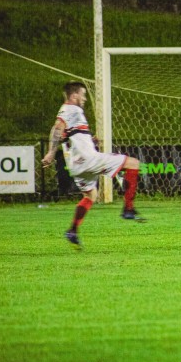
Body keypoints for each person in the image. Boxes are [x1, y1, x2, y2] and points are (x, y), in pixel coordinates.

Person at [41, 81, 145, 248]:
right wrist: (51, 152)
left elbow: (70, 135)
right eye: (82, 95)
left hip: (76, 165)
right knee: (134, 164)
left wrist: (91, 140)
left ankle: (72, 231)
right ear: (74, 95)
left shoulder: (72, 113)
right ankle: (128, 209)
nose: (84, 98)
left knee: (90, 196)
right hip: (88, 159)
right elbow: (57, 128)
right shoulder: (71, 109)